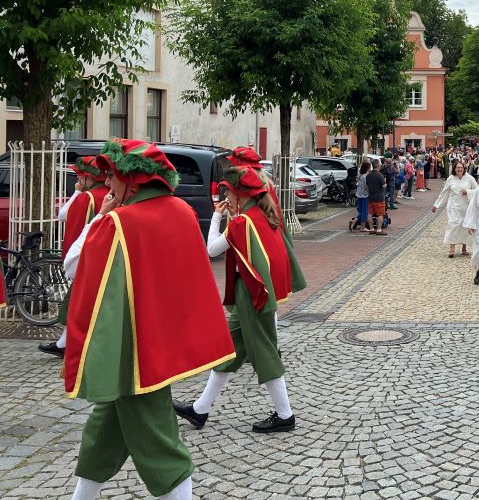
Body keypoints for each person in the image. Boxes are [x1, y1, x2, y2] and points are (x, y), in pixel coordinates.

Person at [64, 139, 235, 500]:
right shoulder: (182, 210)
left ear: (132, 179)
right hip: (160, 340)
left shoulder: (117, 222)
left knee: (161, 450)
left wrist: (99, 216)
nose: (106, 184)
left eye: (112, 176)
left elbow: (73, 267)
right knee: (102, 436)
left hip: (129, 350)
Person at [175, 166, 306, 434]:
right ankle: (200, 409)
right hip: (257, 292)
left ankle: (285, 415)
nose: (226, 195)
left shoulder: (242, 223)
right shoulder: (263, 216)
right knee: (229, 352)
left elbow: (211, 249)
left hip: (252, 295)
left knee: (265, 354)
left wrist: (216, 217)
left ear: (239, 196)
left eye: (229, 191)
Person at [40, 156, 111, 359]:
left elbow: (63, 215)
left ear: (89, 177)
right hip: (101, 254)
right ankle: (64, 343)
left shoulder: (87, 197)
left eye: (81, 174)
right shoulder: (109, 195)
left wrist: (77, 191)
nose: (78, 177)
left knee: (78, 302)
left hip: (83, 254)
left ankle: (70, 345)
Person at [432, 160, 476, 257]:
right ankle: (452, 248)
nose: (459, 169)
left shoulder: (469, 178)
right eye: (457, 168)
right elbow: (444, 192)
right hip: (453, 206)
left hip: (466, 206)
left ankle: (464, 248)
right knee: (453, 225)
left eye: (461, 168)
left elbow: (477, 190)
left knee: (465, 226)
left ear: (464, 168)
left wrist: (468, 192)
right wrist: (436, 205)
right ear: (454, 169)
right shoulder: (450, 179)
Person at [348, 160, 372, 233]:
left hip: (359, 193)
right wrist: (370, 192)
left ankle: (354, 221)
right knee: (365, 211)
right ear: (367, 168)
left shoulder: (359, 173)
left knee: (361, 210)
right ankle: (362, 227)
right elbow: (366, 186)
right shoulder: (365, 176)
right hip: (364, 195)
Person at [367, 160, 388, 236]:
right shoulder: (380, 175)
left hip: (370, 196)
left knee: (370, 213)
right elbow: (384, 186)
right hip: (379, 197)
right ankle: (379, 229)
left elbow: (366, 186)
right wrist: (385, 183)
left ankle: (371, 229)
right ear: (378, 166)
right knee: (380, 214)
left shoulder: (368, 175)